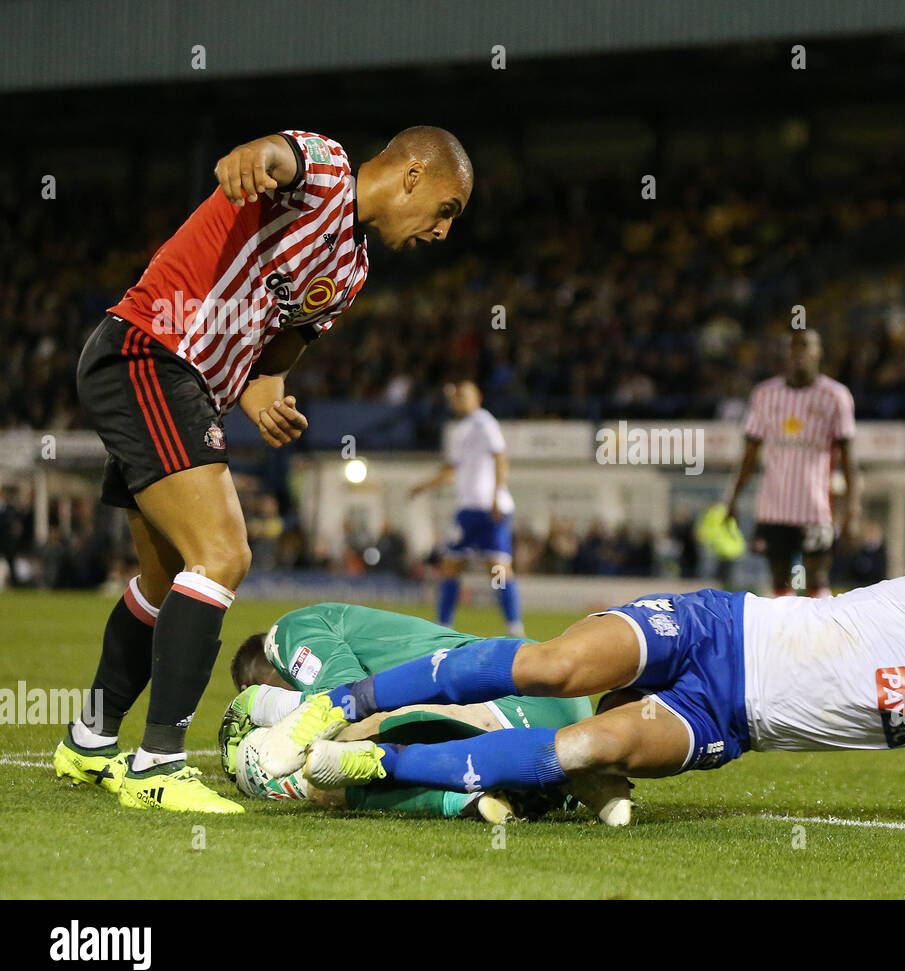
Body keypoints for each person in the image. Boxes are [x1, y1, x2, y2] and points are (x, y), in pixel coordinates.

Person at [53, 126, 473, 813]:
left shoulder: (352, 271)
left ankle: (89, 740)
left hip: (183, 379)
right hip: (152, 352)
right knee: (222, 555)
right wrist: (255, 157)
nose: (442, 233)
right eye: (446, 210)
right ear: (411, 177)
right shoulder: (329, 169)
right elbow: (281, 156)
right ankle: (158, 764)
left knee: (166, 578)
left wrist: (267, 396)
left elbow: (273, 357)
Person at [263, 571, 905, 840]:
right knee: (553, 668)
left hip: (730, 721)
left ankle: (365, 763)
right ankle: (338, 702)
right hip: (721, 629)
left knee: (585, 747)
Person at [221, 602, 630, 824]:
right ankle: (526, 788)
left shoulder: (290, 630)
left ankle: (480, 794)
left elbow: (341, 698)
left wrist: (259, 710)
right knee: (348, 756)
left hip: (505, 695)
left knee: (339, 751)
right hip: (549, 700)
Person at [725, 328, 859, 598]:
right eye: (792, 347)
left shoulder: (836, 396)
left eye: (805, 346)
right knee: (780, 581)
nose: (798, 352)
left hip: (815, 508)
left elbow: (848, 459)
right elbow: (750, 454)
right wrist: (733, 497)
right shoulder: (764, 394)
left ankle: (820, 639)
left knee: (817, 580)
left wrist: (853, 509)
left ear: (818, 352)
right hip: (773, 508)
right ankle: (783, 638)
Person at [410, 381, 523, 635]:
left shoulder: (484, 421)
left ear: (478, 397)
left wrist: (496, 495)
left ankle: (515, 629)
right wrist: (422, 486)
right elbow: (452, 470)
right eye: (456, 396)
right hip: (467, 510)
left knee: (498, 569)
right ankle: (443, 628)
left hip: (488, 508)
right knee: (451, 566)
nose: (458, 400)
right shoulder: (459, 430)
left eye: (464, 395)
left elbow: (500, 456)